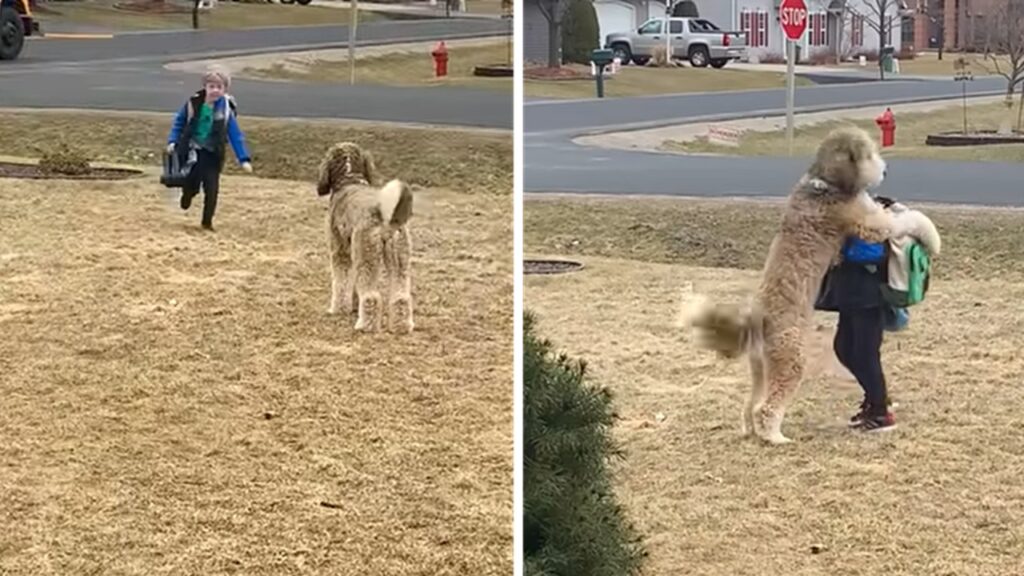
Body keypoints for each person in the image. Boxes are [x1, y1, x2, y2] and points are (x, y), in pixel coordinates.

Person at [815, 222, 898, 433]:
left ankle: (881, 413)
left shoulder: (867, 218)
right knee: (844, 348)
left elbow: (870, 253)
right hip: (850, 294)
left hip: (868, 295)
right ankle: (875, 399)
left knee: (865, 353)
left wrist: (841, 240)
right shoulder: (849, 212)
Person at [166, 65, 253, 231]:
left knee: (212, 189)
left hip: (213, 155)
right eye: (211, 86)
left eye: (219, 87)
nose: (215, 90)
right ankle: (188, 193)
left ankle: (207, 223)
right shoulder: (193, 104)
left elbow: (235, 135)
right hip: (193, 152)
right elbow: (179, 122)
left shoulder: (226, 110)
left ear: (225, 89)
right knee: (191, 182)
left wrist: (243, 159)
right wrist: (173, 141)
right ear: (205, 86)